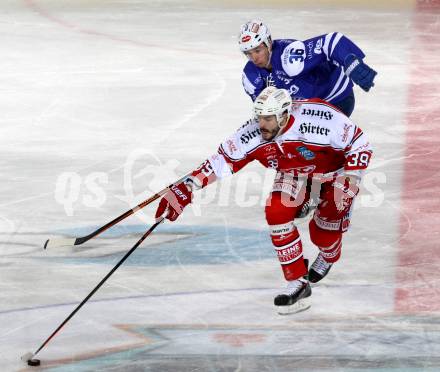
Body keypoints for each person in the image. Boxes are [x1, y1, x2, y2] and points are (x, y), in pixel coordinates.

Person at [155, 87, 372, 314]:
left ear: (284, 115)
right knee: (276, 212)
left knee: (322, 232)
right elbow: (222, 161)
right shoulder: (255, 133)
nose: (262, 124)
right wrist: (186, 187)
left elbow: (360, 142)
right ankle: (297, 281)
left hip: (335, 174)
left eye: (268, 118)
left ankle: (329, 256)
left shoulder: (319, 119)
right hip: (294, 173)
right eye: (259, 117)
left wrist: (351, 178)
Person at [238, 20, 377, 117]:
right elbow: (264, 112)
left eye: (257, 50)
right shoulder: (250, 76)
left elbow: (331, 40)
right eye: (248, 53)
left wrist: (351, 63)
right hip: (307, 108)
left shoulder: (289, 57)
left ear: (268, 43)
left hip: (336, 99)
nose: (254, 58)